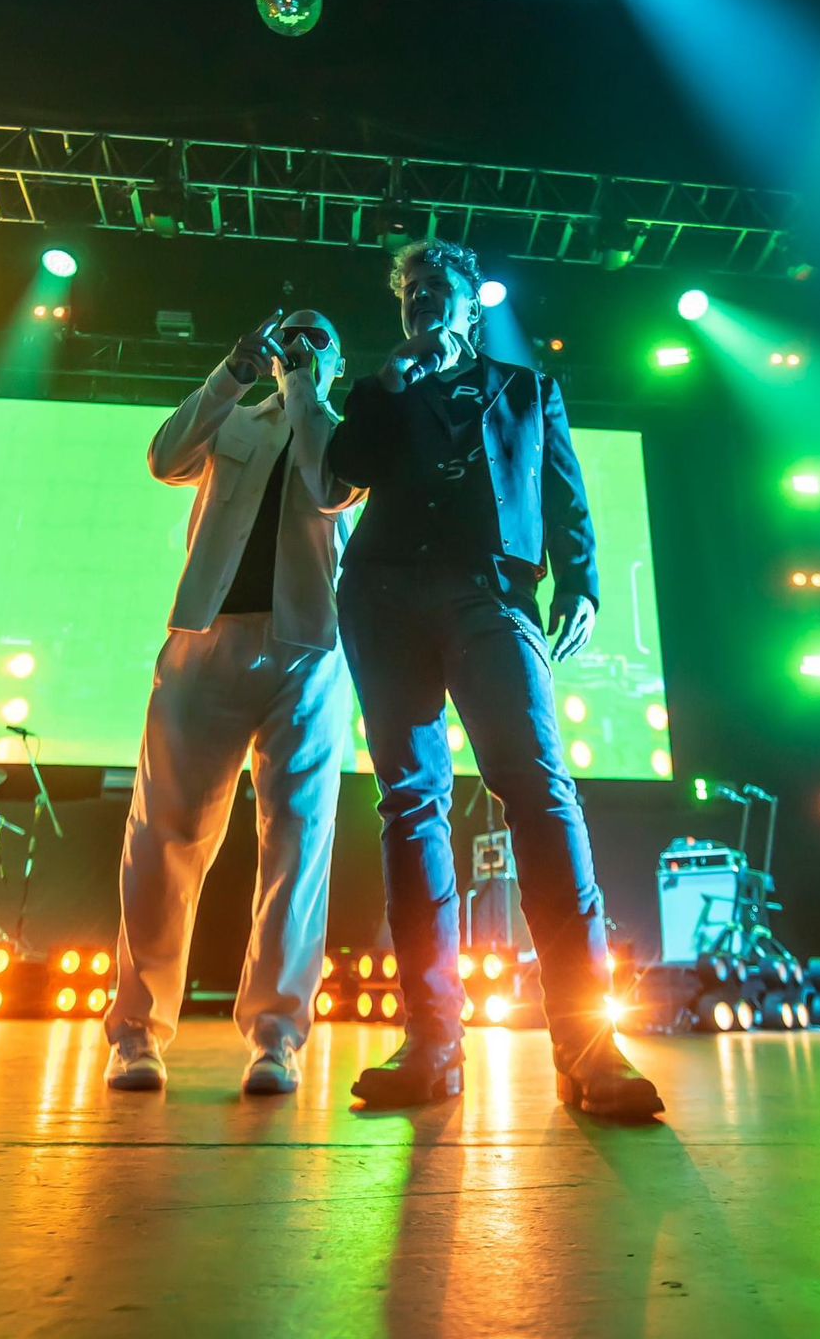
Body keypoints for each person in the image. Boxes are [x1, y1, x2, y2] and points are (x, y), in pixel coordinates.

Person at [326, 241, 662, 1119]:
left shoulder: (526, 387)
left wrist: (582, 581)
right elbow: (345, 469)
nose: (421, 301)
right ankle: (432, 1044)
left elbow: (563, 492)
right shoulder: (380, 388)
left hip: (492, 592)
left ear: (471, 306)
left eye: (437, 289)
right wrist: (389, 381)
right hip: (385, 597)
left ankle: (589, 1047)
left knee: (541, 794)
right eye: (410, 291)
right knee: (410, 804)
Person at [105, 308, 363, 1096]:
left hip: (308, 651)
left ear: (339, 361)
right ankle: (136, 1034)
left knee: (298, 843)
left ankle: (277, 1039)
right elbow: (165, 457)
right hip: (206, 640)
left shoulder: (348, 431)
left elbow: (328, 487)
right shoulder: (235, 417)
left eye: (319, 337)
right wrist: (233, 374)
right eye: (293, 334)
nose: (302, 344)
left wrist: (305, 390)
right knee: (164, 836)